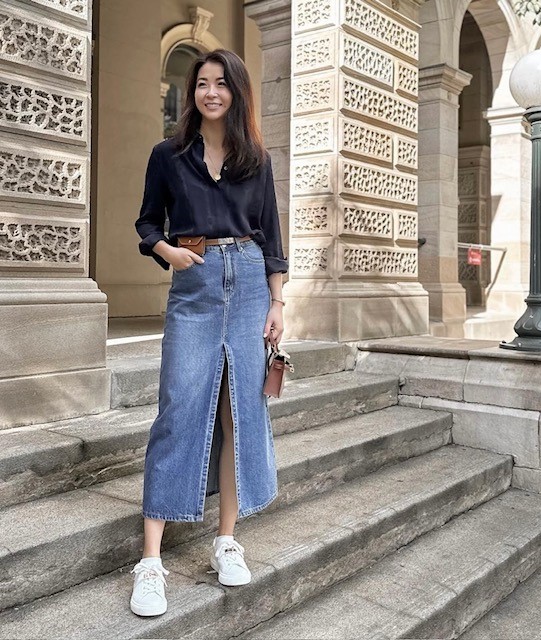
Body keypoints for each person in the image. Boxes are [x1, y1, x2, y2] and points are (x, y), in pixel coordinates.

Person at [129, 49, 287, 617]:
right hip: (194, 283)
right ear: (192, 92)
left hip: (247, 282)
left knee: (238, 411)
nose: (210, 92)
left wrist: (277, 302)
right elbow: (148, 221)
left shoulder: (257, 160)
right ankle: (151, 562)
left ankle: (226, 540)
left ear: (236, 92)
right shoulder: (167, 156)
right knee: (178, 407)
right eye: (201, 83)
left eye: (221, 84)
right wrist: (166, 249)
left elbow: (271, 234)